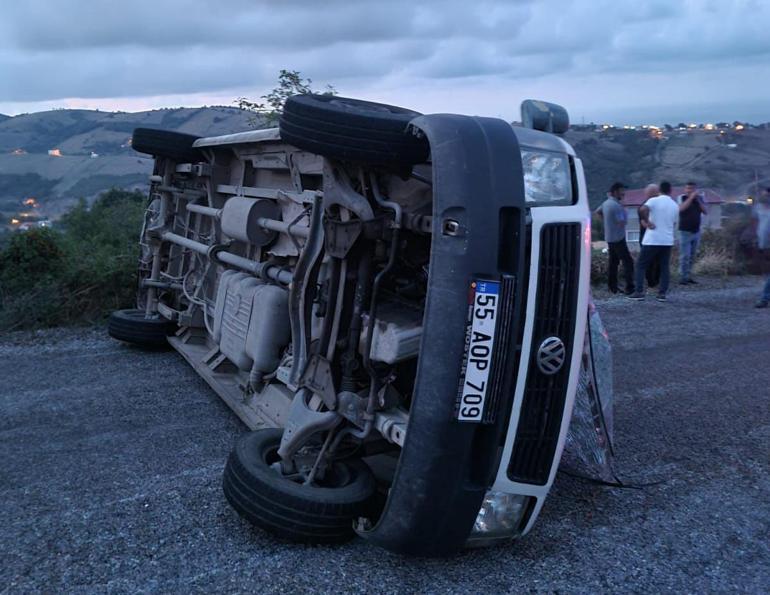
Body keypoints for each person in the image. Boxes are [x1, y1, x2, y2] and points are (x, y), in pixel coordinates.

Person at [628, 181, 679, 302]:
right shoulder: (674, 205)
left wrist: (647, 221)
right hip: (667, 240)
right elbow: (674, 223)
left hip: (652, 239)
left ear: (659, 190)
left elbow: (642, 209)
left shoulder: (654, 200)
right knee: (664, 267)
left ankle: (639, 292)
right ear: (670, 191)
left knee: (641, 265)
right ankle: (662, 294)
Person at [596, 182, 635, 294]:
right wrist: (625, 210)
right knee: (628, 262)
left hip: (609, 237)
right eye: (622, 191)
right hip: (618, 238)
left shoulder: (606, 203)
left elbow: (598, 212)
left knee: (613, 262)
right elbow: (622, 222)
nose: (624, 193)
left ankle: (612, 287)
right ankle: (630, 287)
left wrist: (607, 223)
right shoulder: (617, 206)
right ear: (616, 192)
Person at [677, 181, 708, 284]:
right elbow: (681, 209)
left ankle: (689, 276)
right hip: (685, 231)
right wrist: (691, 198)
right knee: (685, 256)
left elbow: (705, 211)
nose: (690, 191)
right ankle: (682, 277)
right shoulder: (682, 198)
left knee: (692, 255)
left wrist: (698, 200)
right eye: (688, 189)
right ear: (685, 189)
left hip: (696, 231)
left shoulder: (700, 199)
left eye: (692, 189)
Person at [638, 184, 661, 288]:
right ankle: (651, 282)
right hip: (647, 238)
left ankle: (656, 280)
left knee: (657, 260)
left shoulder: (658, 205)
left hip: (657, 238)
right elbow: (643, 222)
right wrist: (649, 224)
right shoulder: (645, 206)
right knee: (649, 261)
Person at [754, 188, 770, 308]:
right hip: (764, 244)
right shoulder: (759, 208)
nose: (764, 197)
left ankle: (765, 298)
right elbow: (756, 223)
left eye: (766, 195)